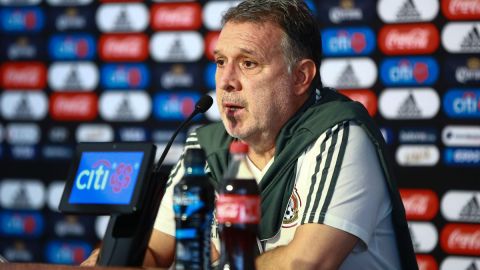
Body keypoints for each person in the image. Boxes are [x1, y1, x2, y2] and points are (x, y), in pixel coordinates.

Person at [83, 0, 417, 269]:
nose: (226, 81)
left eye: (248, 64)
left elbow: (304, 264)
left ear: (301, 77)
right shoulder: (208, 147)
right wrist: (111, 261)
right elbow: (156, 253)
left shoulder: (339, 134)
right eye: (220, 61)